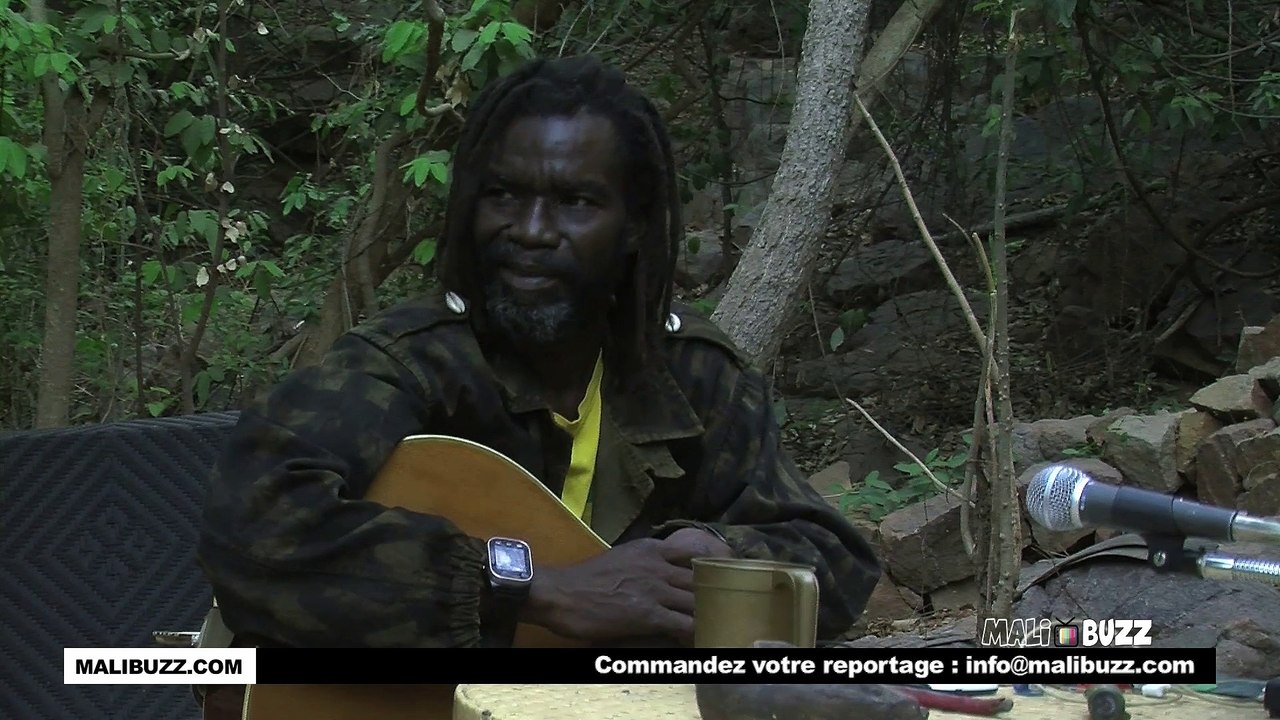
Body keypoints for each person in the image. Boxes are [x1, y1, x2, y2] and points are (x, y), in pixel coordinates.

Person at [196, 54, 880, 653]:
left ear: (634, 224)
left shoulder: (690, 375)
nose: (529, 231)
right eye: (502, 196)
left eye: (575, 201)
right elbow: (253, 523)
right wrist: (531, 587)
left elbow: (835, 563)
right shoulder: (407, 365)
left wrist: (715, 553)